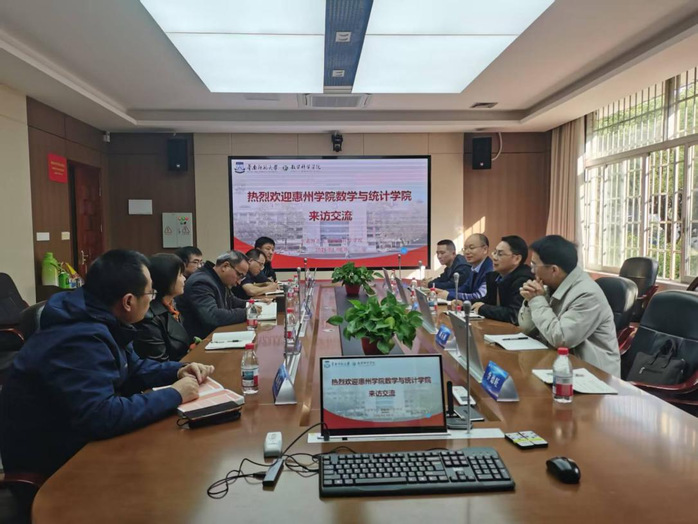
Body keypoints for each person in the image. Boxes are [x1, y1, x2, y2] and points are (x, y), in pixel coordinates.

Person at [0, 249, 213, 483]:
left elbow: (133, 368)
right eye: (150, 293)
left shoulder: (101, 316)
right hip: (55, 463)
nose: (152, 299)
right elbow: (101, 415)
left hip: (81, 438)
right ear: (128, 301)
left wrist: (177, 370)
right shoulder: (78, 337)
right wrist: (175, 394)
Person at [518, 235, 620, 376]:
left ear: (554, 270)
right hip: (561, 365)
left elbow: (561, 339)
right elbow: (526, 328)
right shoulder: (551, 284)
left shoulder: (587, 294)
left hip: (593, 375)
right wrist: (531, 301)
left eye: (534, 265)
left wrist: (537, 300)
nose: (532, 270)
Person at [178, 250, 251, 339]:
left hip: (215, 335)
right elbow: (212, 316)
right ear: (225, 266)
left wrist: (255, 304)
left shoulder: (217, 278)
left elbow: (232, 301)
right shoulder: (201, 282)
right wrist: (248, 312)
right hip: (201, 342)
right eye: (239, 275)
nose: (239, 282)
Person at [134, 253, 192, 362]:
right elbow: (158, 362)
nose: (184, 278)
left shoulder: (172, 304)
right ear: (166, 279)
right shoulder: (149, 317)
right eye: (180, 275)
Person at [472, 235, 533, 324]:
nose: (494, 257)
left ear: (517, 259)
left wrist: (483, 308)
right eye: (495, 252)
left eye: (500, 254)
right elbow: (489, 300)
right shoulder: (496, 276)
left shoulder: (524, 281)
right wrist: (465, 304)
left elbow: (515, 315)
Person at [437, 234, 493, 302]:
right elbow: (464, 288)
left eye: (471, 248)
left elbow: (479, 296)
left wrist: (449, 295)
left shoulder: (490, 270)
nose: (467, 252)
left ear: (485, 249)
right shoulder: (474, 268)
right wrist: (444, 292)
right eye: (465, 249)